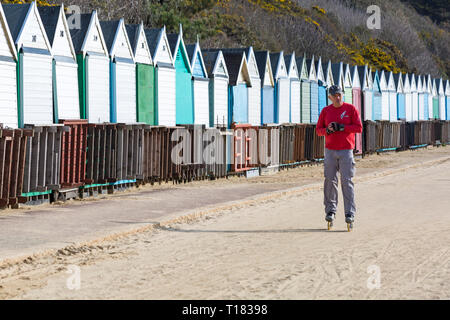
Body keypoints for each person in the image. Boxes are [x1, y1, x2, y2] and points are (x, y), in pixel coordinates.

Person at [316, 85, 363, 227]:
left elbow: (359, 128)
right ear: (330, 97)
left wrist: (342, 127)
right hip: (330, 150)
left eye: (339, 95)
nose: (337, 97)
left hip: (346, 151)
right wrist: (328, 130)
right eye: (334, 95)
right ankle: (330, 211)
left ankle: (350, 213)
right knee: (330, 181)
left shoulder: (350, 109)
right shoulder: (326, 111)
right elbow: (318, 130)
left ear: (342, 95)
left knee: (347, 181)